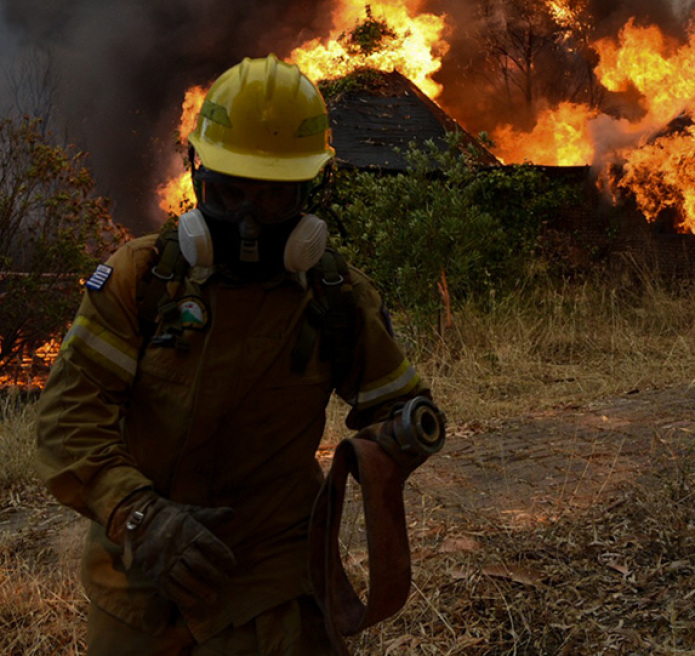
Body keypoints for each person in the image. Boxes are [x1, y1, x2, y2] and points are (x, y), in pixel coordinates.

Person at [36, 55, 434, 654]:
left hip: (272, 594)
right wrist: (141, 516)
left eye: (274, 199)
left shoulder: (337, 298)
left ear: (310, 190)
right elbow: (69, 422)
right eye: (230, 191)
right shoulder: (139, 280)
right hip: (139, 591)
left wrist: (404, 431)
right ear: (198, 179)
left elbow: (395, 403)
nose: (249, 221)